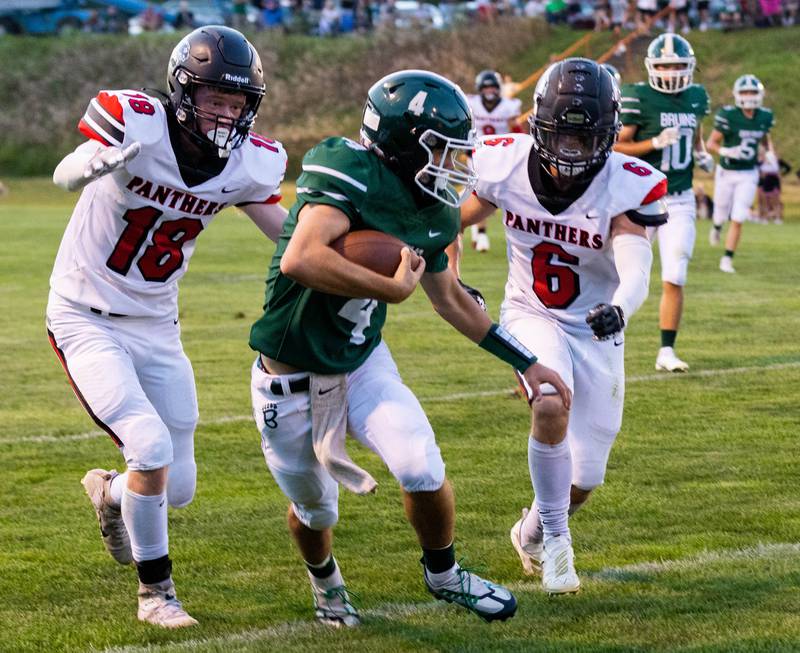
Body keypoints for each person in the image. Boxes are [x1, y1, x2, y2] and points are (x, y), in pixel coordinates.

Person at [248, 69, 572, 627]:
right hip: (288, 375)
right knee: (315, 508)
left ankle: (444, 574)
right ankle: (326, 583)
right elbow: (302, 257)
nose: (454, 166)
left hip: (361, 361)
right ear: (401, 144)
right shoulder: (346, 167)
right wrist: (391, 288)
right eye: (441, 151)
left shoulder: (432, 208)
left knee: (422, 466)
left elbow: (451, 300)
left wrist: (528, 362)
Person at [46, 26, 288, 629]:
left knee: (174, 487)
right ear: (184, 92)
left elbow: (288, 235)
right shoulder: (136, 120)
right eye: (215, 99)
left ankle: (110, 494)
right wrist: (89, 166)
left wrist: (355, 249)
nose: (226, 114)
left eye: (237, 104)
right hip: (85, 315)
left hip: (157, 325)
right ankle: (156, 594)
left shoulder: (247, 162)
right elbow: (65, 171)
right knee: (148, 447)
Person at [458, 58, 666, 595]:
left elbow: (636, 264)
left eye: (585, 136)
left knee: (585, 478)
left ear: (608, 132)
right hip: (530, 311)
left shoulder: (626, 183)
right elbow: (443, 221)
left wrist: (621, 306)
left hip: (597, 323)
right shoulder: (503, 165)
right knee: (550, 401)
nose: (573, 149)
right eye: (563, 134)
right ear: (537, 125)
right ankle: (557, 546)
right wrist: (453, 277)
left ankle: (530, 532)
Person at [614, 33, 713, 372]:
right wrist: (653, 142)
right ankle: (604, 340)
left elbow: (696, 137)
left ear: (689, 68)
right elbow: (617, 146)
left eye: (677, 66)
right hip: (641, 197)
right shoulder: (638, 97)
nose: (671, 72)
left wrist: (703, 154)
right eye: (665, 65)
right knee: (625, 274)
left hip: (681, 199)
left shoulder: (697, 97)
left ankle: (666, 351)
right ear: (652, 68)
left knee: (676, 270)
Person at [706, 75, 775, 273]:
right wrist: (726, 151)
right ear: (737, 94)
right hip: (726, 171)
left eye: (752, 92)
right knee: (720, 209)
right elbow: (711, 143)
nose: (749, 96)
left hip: (748, 173)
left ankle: (727, 259)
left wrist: (769, 151)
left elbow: (764, 138)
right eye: (745, 92)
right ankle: (717, 226)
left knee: (738, 216)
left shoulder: (764, 117)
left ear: (759, 94)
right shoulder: (729, 115)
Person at [466, 70, 522, 252]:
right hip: (476, 154)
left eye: (492, 87)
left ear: (498, 89)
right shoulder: (471, 103)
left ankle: (479, 231)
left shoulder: (508, 106)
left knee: (496, 195)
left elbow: (517, 129)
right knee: (479, 193)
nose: (489, 91)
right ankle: (480, 232)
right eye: (486, 87)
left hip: (500, 156)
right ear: (480, 89)